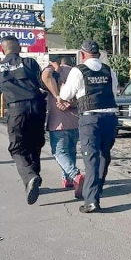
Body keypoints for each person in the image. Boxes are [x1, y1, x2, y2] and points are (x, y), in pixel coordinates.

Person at [0, 36, 46, 205]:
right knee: (35, 144)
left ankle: (30, 177)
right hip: (37, 107)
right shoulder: (30, 63)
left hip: (17, 110)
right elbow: (43, 83)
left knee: (17, 148)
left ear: (2, 51)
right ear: (20, 49)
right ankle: (35, 177)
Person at [59, 40, 119, 213]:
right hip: (110, 118)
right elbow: (113, 92)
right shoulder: (109, 70)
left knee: (91, 158)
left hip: (90, 119)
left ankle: (92, 200)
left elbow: (66, 94)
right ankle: (96, 189)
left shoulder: (79, 70)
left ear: (82, 54)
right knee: (103, 156)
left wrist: (63, 91)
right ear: (98, 54)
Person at [42, 57, 83, 196]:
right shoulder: (76, 72)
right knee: (70, 152)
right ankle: (68, 179)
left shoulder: (53, 70)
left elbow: (45, 76)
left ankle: (75, 175)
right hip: (75, 121)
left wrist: (57, 96)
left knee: (59, 152)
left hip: (58, 123)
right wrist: (71, 104)